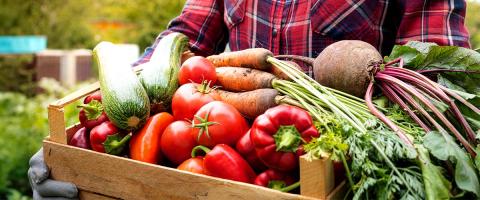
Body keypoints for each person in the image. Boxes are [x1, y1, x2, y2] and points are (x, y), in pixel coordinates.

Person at [28, 0, 470, 198]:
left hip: (328, 162)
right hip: (220, 160)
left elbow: (432, 78)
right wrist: (74, 147)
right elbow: (184, 38)